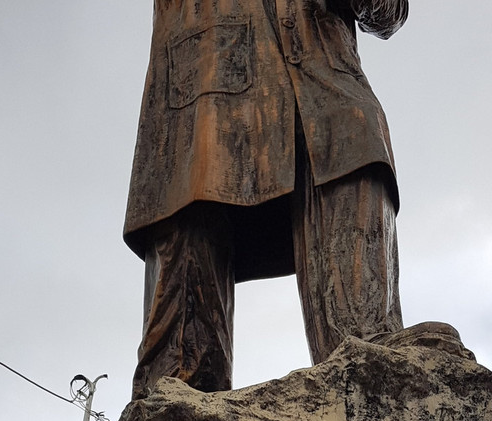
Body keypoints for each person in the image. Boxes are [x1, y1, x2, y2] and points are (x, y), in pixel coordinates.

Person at [124, 0, 408, 399]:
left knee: (371, 357)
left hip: (327, 80)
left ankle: (376, 394)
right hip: (204, 80)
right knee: (180, 376)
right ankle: (177, 413)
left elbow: (388, 12)